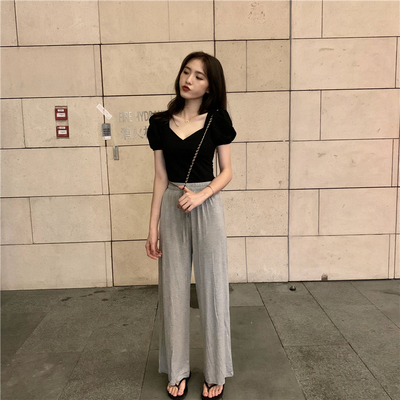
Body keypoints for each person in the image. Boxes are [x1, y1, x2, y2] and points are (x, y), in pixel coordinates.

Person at [145, 51, 236, 400]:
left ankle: (216, 371)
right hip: (172, 204)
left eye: (199, 76)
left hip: (206, 204)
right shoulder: (159, 123)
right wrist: (152, 226)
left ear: (210, 86)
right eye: (186, 72)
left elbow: (227, 171)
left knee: (213, 288)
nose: (189, 80)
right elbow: (159, 177)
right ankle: (177, 369)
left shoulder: (218, 120)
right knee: (173, 290)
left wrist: (202, 195)